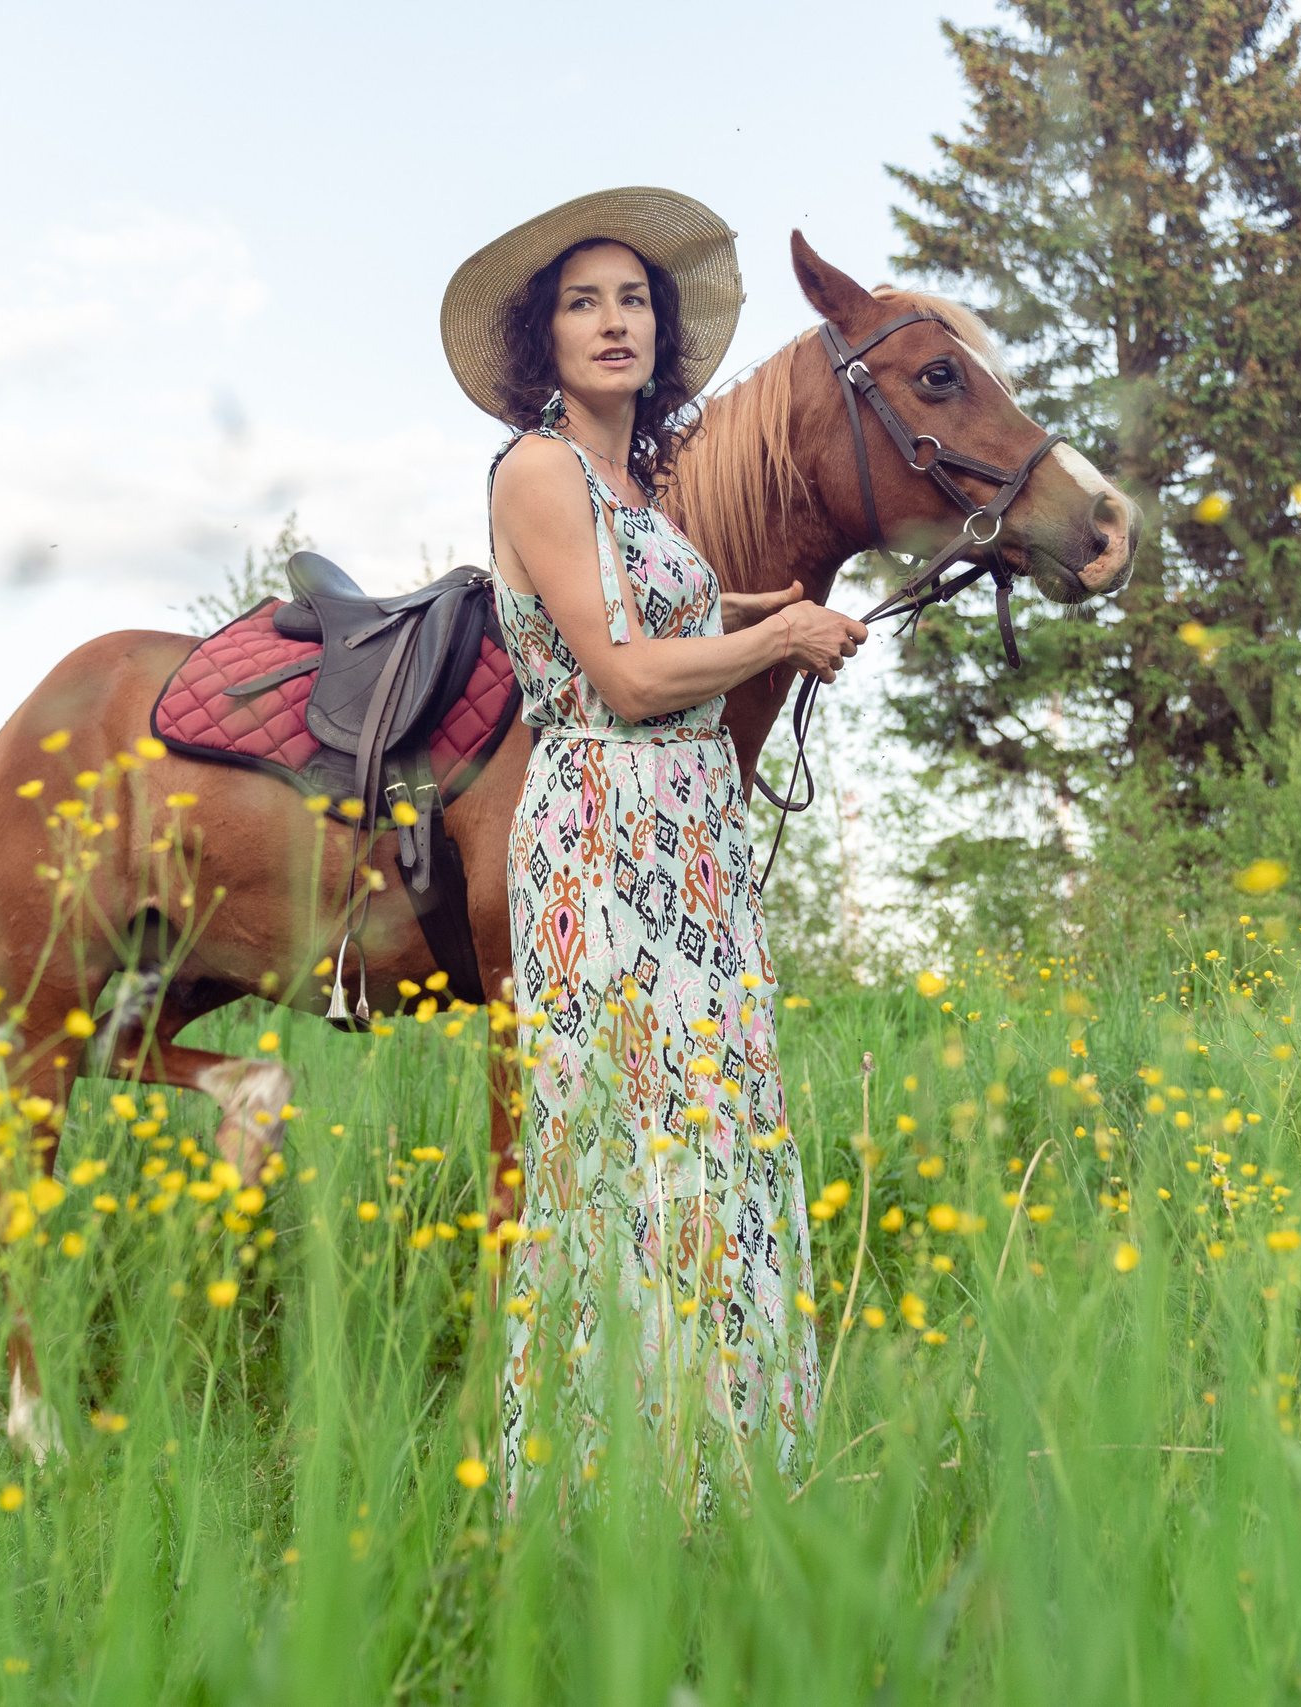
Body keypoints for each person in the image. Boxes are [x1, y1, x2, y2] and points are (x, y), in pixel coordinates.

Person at [439, 188, 868, 1492]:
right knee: (633, 1148)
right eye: (584, 302)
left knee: (711, 1135)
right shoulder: (538, 468)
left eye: (635, 299)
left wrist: (748, 597)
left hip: (685, 838)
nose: (615, 321)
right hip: (609, 832)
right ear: (543, 340)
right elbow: (620, 674)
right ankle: (602, 1490)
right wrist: (781, 638)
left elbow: (654, 594)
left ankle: (716, 1474)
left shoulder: (633, 485)